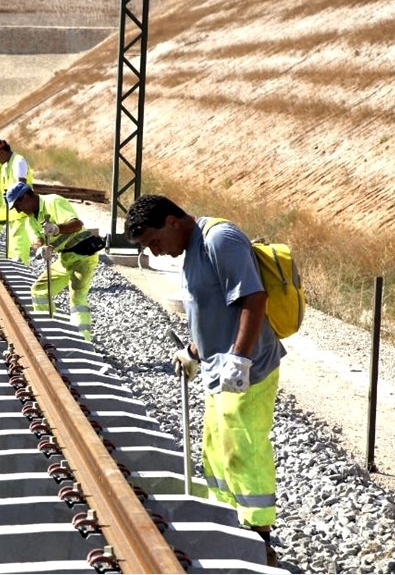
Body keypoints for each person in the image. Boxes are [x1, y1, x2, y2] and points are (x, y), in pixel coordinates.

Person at [124, 194, 284, 567]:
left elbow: (252, 298)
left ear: (172, 221)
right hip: (217, 370)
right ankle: (229, 530)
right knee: (215, 451)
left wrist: (240, 359)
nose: (156, 252)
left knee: (242, 450)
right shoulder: (192, 249)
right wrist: (194, 352)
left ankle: (260, 542)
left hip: (248, 369)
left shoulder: (218, 239)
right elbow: (211, 308)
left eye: (155, 242)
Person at [3, 182, 101, 341]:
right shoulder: (30, 220)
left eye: (17, 205)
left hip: (83, 255)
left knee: (77, 297)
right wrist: (41, 248)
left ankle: (83, 341)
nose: (18, 210)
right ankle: (50, 334)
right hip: (66, 258)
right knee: (39, 290)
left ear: (26, 196)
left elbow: (77, 225)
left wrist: (57, 228)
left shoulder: (53, 201)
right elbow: (36, 240)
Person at [0, 138, 34, 258]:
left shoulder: (18, 162)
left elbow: (21, 186)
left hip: (21, 211)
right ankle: (15, 266)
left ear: (2, 152)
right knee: (12, 243)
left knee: (19, 243)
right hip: (12, 211)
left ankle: (22, 269)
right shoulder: (5, 165)